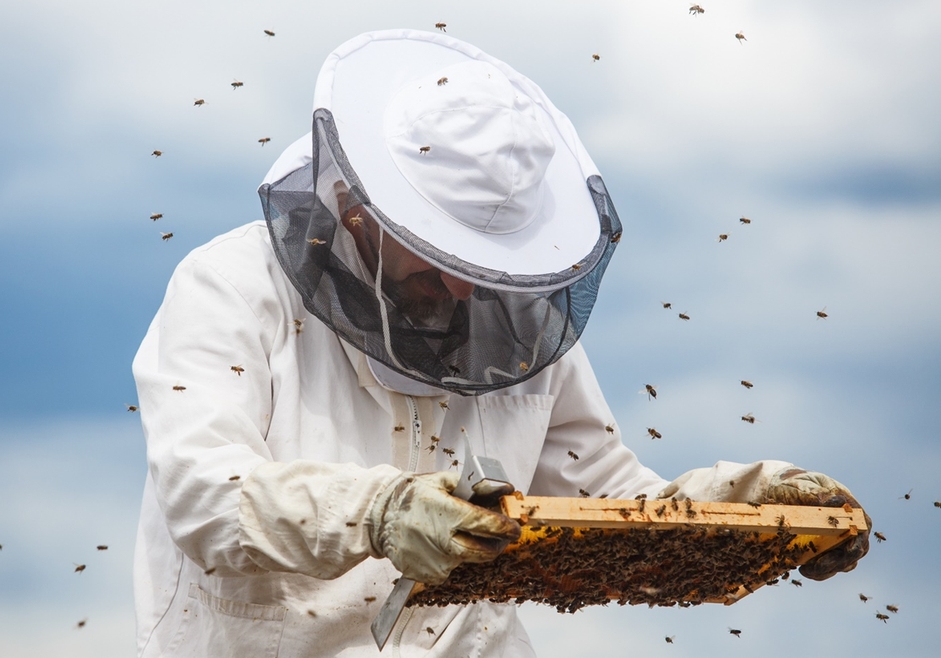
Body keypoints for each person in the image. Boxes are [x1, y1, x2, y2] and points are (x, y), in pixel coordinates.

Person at [132, 29, 869, 657]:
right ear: (358, 208)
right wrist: (382, 512)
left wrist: (744, 512)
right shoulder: (230, 287)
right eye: (440, 257)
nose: (462, 292)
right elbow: (207, 497)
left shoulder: (513, 325)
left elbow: (610, 508)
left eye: (485, 269)